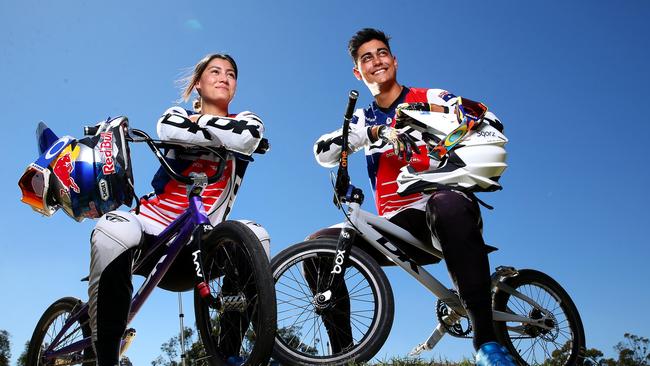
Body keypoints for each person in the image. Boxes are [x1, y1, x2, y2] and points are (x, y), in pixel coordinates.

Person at [313, 28, 515, 366]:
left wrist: (439, 139)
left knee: (446, 203)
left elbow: (488, 119)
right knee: (317, 247)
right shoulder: (363, 118)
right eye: (367, 57)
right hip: (392, 225)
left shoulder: (429, 95)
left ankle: (487, 344)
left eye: (381, 53)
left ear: (394, 60)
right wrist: (374, 132)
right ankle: (344, 357)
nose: (376, 61)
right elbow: (323, 153)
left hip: (441, 208)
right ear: (357, 72)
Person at [88, 53, 265, 366]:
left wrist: (198, 126)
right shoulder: (175, 113)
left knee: (257, 235)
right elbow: (171, 129)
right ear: (198, 84)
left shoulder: (249, 118)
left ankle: (228, 354)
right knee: (112, 229)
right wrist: (221, 133)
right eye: (215, 72)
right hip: (152, 231)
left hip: (202, 243)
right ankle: (105, 359)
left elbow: (248, 137)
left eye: (231, 74)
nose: (224, 77)